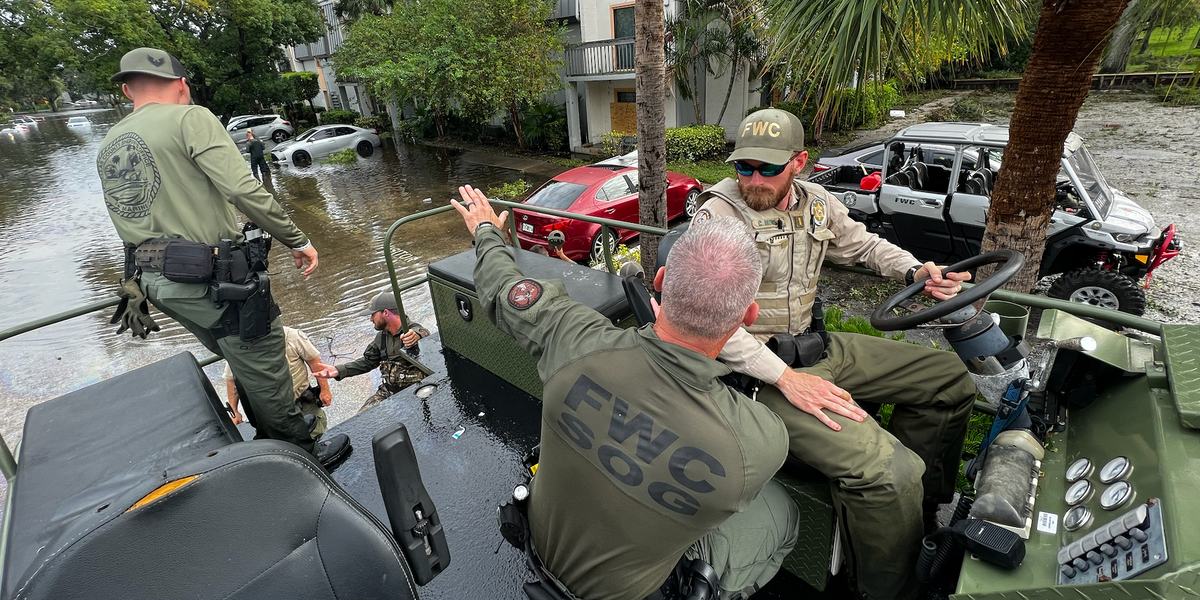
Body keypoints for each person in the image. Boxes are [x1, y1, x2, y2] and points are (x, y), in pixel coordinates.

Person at [450, 185, 797, 600]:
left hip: (539, 548)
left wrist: (487, 230)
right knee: (782, 510)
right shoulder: (761, 440)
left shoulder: (571, 335)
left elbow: (502, 288)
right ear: (748, 316)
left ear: (661, 282)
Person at [692, 108, 978, 600]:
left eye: (767, 168)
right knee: (889, 473)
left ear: (799, 162)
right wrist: (785, 378)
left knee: (950, 379)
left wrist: (916, 272)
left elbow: (864, 247)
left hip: (814, 344)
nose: (752, 179)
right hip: (753, 372)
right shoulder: (718, 218)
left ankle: (919, 516)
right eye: (744, 167)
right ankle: (887, 589)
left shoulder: (816, 203)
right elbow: (707, 326)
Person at [96, 47, 350, 469]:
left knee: (240, 360)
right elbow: (243, 189)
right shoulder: (191, 117)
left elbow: (128, 219)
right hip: (212, 280)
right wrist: (297, 239)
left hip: (156, 283)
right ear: (182, 85)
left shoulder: (108, 145)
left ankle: (267, 448)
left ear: (127, 90)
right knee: (266, 361)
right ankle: (303, 461)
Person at [312, 291, 430, 413]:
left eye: (373, 314)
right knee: (363, 419)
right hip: (389, 392)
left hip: (416, 390)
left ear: (385, 312)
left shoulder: (412, 330)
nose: (371, 319)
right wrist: (337, 370)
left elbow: (423, 333)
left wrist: (417, 335)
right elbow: (367, 362)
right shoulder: (381, 338)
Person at [224, 326, 332, 436]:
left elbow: (314, 362)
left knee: (318, 436)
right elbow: (232, 379)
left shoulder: (292, 336)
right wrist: (234, 411)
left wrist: (325, 390)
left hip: (303, 404)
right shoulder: (240, 346)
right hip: (268, 413)